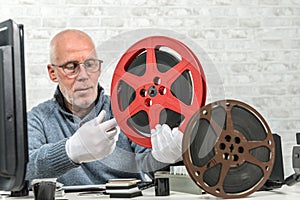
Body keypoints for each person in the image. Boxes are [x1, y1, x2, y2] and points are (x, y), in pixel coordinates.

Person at [26, 29, 183, 185]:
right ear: (53, 72)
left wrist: (168, 159)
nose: (83, 75)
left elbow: (151, 165)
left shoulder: (128, 110)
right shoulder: (37, 119)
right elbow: (21, 169)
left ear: (99, 68)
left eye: (90, 64)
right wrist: (70, 151)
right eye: (71, 66)